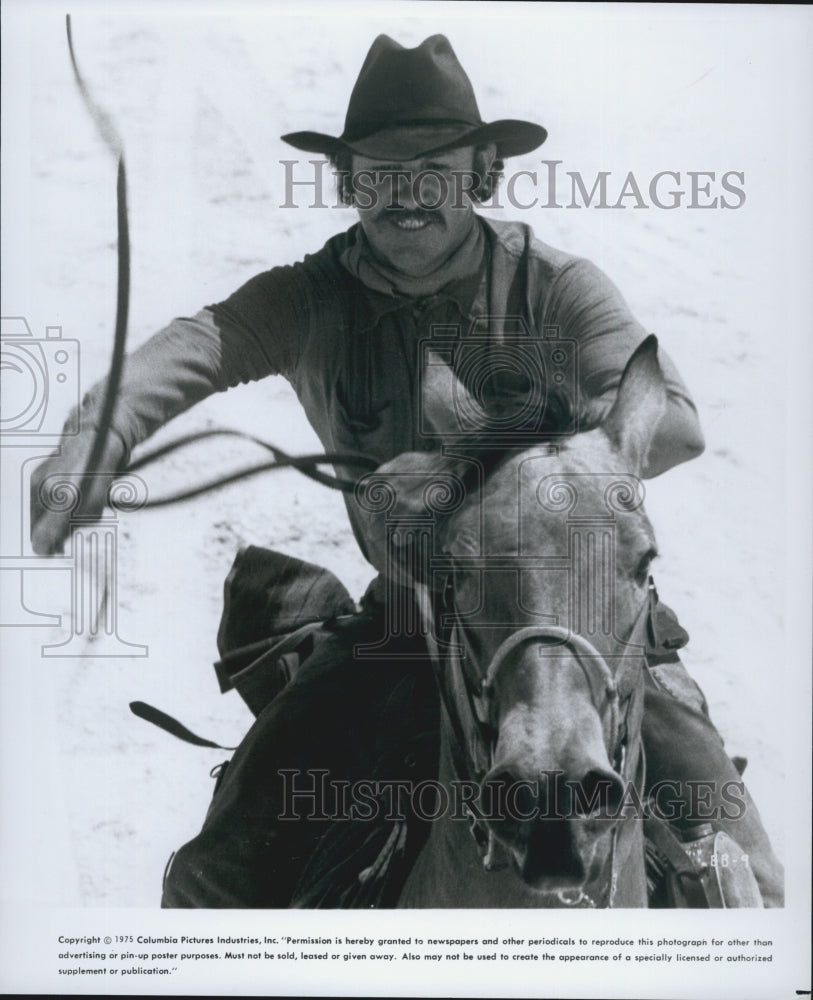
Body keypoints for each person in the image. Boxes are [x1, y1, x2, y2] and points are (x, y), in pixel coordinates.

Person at [30, 34, 783, 907]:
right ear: (346, 184)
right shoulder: (308, 299)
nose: (406, 195)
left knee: (745, 878)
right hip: (408, 619)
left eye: (433, 170)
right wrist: (94, 440)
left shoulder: (557, 286)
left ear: (481, 174)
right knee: (219, 871)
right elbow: (198, 348)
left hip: (589, 624)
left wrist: (479, 467)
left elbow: (675, 426)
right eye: (378, 173)